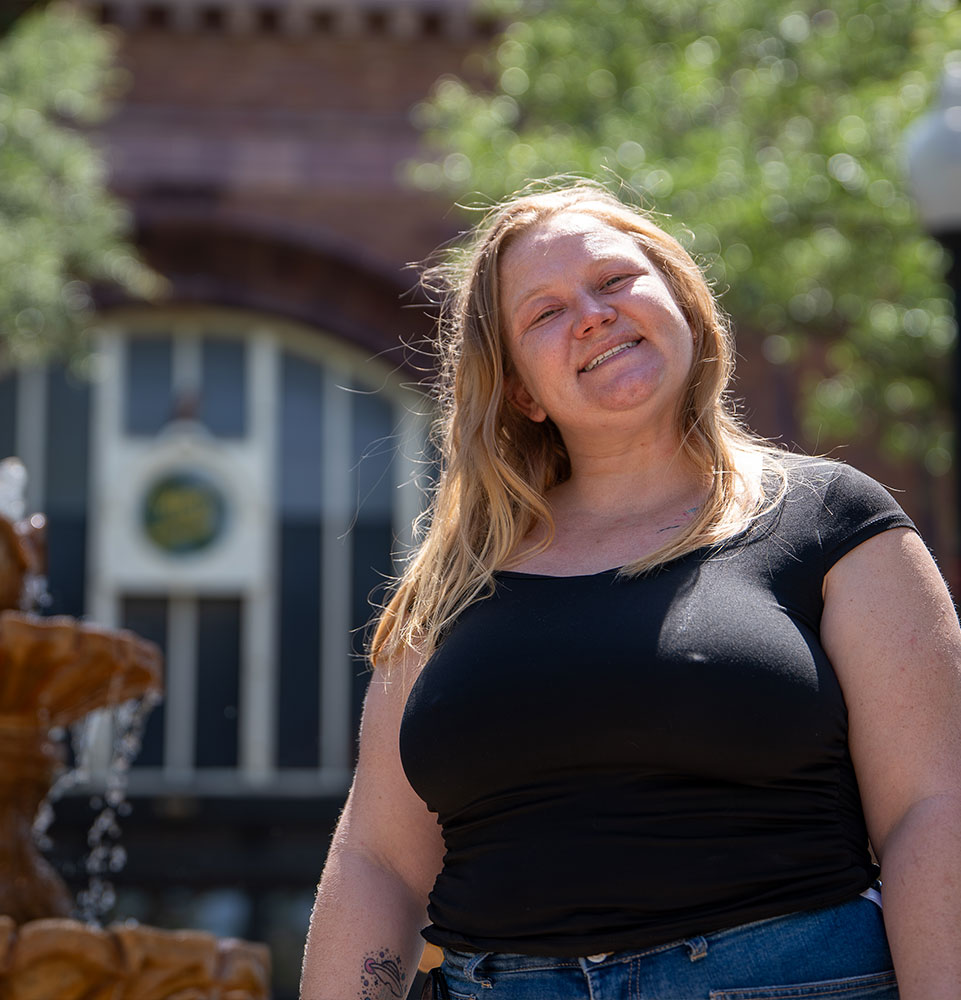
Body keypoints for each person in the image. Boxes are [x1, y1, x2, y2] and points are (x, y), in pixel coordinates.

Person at [300, 181, 961, 1000]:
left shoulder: (833, 518)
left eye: (614, 281)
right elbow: (378, 861)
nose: (590, 313)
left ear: (680, 302)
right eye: (543, 313)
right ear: (519, 392)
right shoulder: (451, 580)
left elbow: (930, 812)